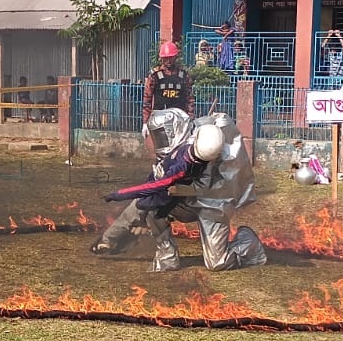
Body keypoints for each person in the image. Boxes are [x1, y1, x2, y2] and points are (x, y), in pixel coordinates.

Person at [90, 108, 266, 273]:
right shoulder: (178, 157)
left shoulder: (216, 148)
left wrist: (118, 195)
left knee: (217, 263)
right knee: (150, 207)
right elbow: (147, 195)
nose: (162, 140)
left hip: (213, 205)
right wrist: (111, 237)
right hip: (184, 200)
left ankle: (248, 243)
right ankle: (167, 256)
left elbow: (223, 187)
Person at [142, 41, 192, 123]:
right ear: (161, 58)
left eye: (171, 57)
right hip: (159, 118)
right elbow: (147, 100)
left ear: (175, 57)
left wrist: (190, 118)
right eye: (166, 58)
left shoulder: (183, 75)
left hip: (179, 118)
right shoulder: (155, 75)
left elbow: (189, 99)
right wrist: (145, 122)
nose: (168, 61)